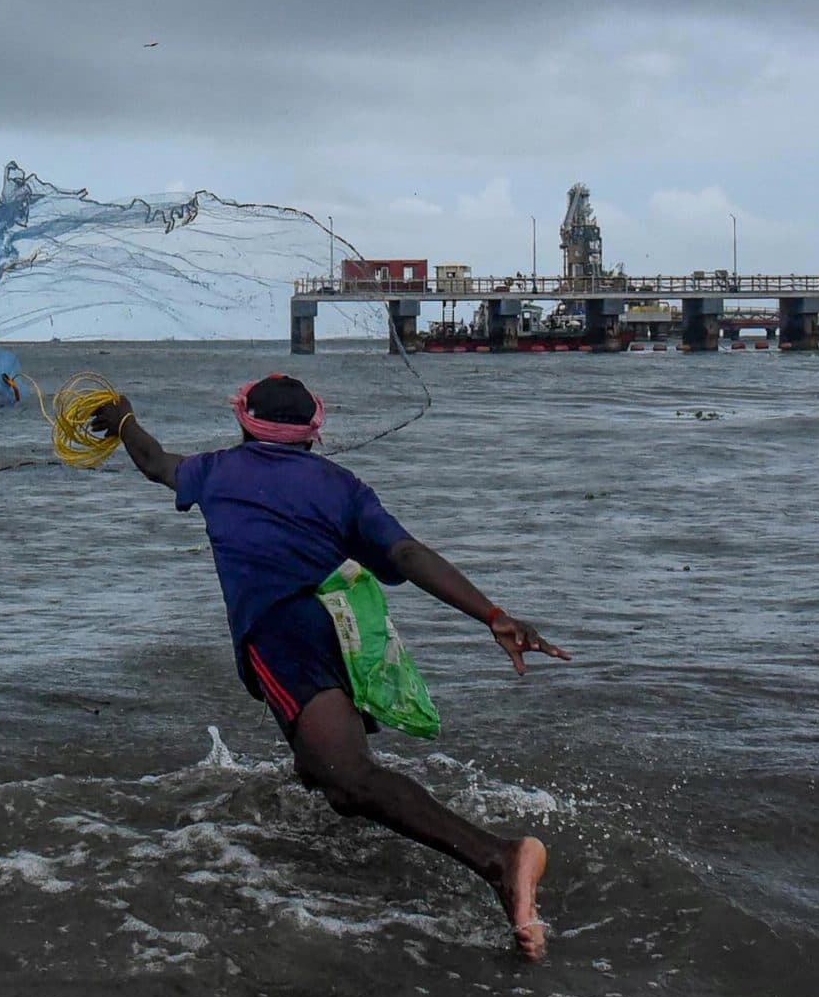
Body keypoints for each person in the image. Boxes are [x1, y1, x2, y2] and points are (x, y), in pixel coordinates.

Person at [90, 373, 570, 959]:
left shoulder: (214, 471)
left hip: (281, 634)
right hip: (335, 627)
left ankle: (500, 858)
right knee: (320, 774)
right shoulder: (342, 486)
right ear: (314, 432)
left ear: (243, 421)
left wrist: (122, 421)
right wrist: (491, 614)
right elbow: (406, 553)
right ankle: (330, 855)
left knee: (348, 777)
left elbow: (154, 462)